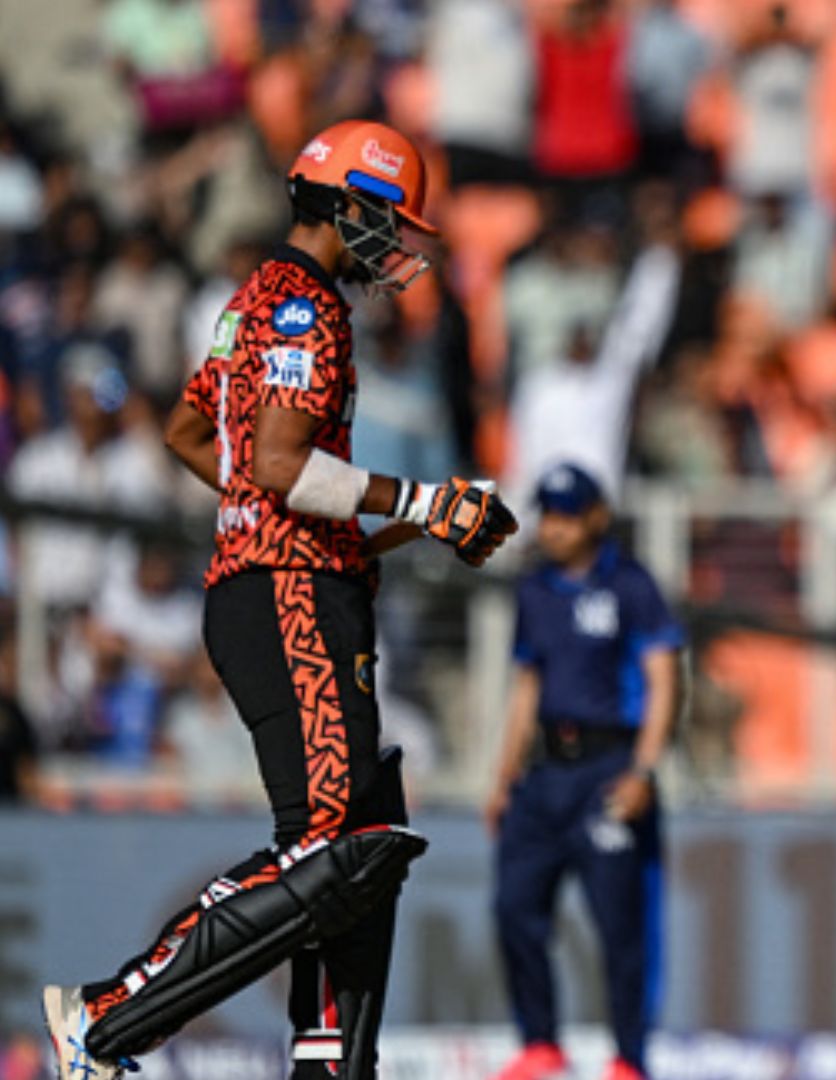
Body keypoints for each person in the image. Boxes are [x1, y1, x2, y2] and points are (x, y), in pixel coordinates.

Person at [41, 119, 520, 1080]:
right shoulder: (307, 308)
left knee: (349, 849)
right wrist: (421, 499)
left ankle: (326, 1065)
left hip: (285, 579)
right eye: (388, 220)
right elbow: (280, 464)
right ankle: (107, 1019)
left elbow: (192, 433)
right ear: (346, 207)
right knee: (334, 849)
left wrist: (402, 520)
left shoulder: (255, 298)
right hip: (291, 598)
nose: (397, 245)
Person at [486, 462, 682, 1080]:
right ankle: (539, 1042)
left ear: (597, 515)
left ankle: (629, 1057)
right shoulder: (535, 590)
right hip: (545, 775)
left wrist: (644, 771)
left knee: (622, 925)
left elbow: (663, 681)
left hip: (609, 770)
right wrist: (503, 774)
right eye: (547, 514)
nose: (555, 527)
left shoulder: (632, 585)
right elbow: (526, 685)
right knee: (515, 908)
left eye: (568, 514)